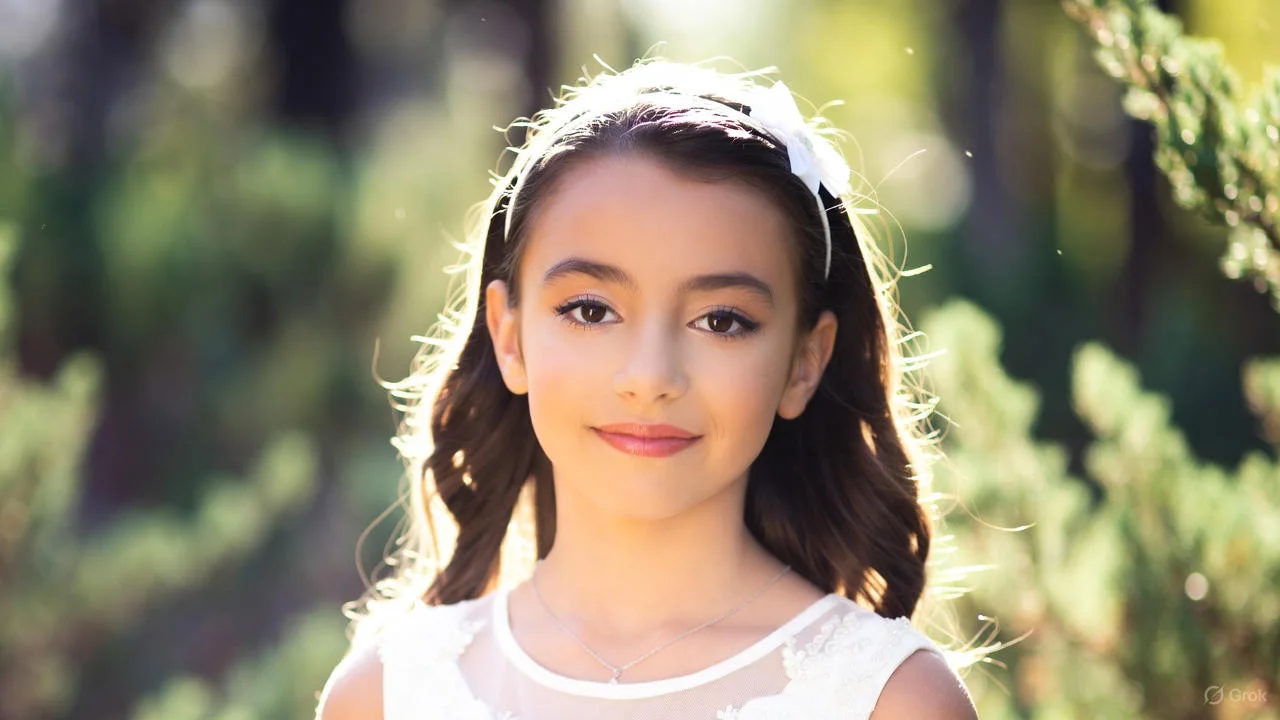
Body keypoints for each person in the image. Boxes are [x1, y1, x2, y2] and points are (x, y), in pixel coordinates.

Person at [316, 56, 982, 719]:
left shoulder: (889, 700)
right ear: (510, 336)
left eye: (721, 321)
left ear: (803, 362)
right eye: (591, 310)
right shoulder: (386, 695)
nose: (649, 378)